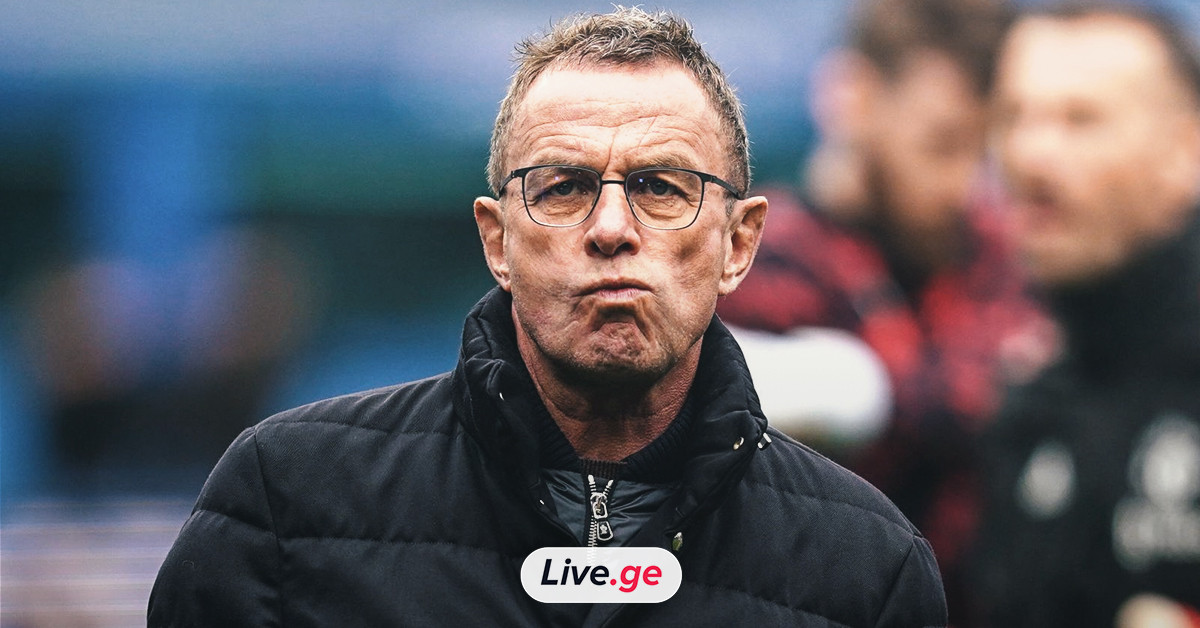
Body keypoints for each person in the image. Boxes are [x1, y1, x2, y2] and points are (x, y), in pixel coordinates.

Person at [147, 8, 947, 626]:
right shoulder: (286, 504)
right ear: (497, 241)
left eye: (661, 188)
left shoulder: (866, 567)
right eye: (563, 187)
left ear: (739, 244)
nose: (611, 228)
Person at [717, 0, 1047, 623]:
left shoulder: (1012, 257)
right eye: (941, 143)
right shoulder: (751, 268)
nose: (965, 182)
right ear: (855, 98)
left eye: (987, 150)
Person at [971, 3, 1200, 626]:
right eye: (1013, 116)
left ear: (1184, 150)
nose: (1029, 153)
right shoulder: (1026, 399)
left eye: (1081, 119)